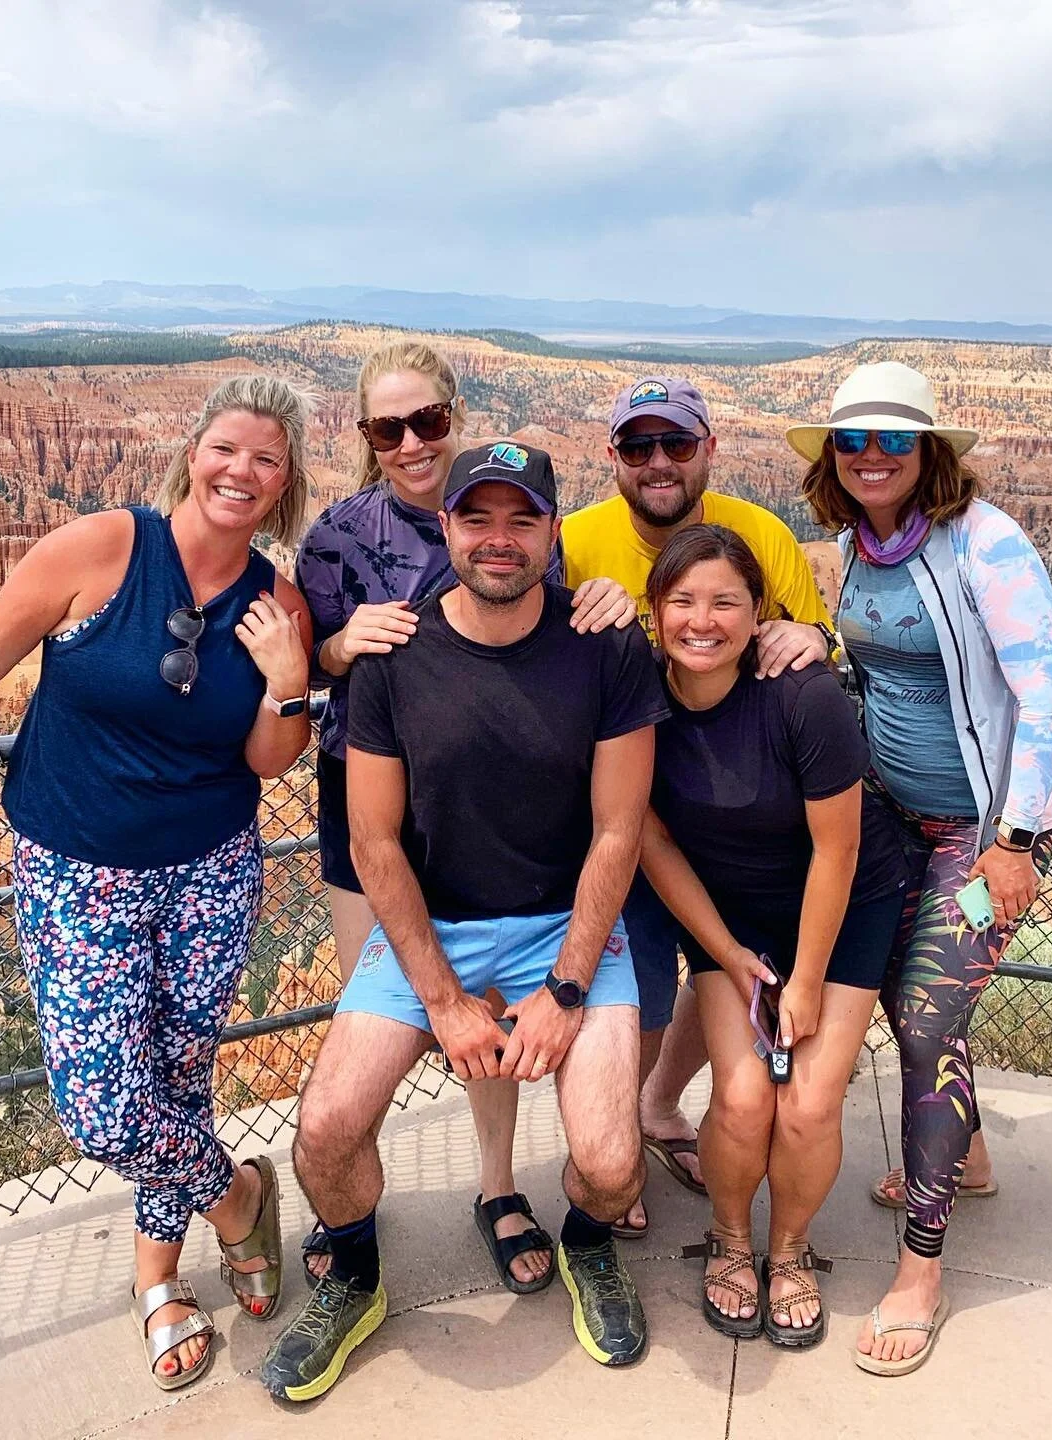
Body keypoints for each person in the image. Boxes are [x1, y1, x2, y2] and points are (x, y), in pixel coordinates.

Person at [0, 374, 318, 1391]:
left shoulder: (277, 601)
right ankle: (241, 1194)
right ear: (193, 449)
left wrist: (290, 679)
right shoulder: (103, 549)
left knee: (175, 1080)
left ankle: (156, 1279)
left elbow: (266, 761)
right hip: (78, 871)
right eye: (227, 448)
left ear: (286, 481)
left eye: (266, 459)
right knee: (101, 1107)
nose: (240, 472)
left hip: (209, 873)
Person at [262, 442, 667, 1402]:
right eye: (476, 518)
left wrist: (567, 990)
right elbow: (373, 843)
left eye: (521, 519)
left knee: (613, 1166)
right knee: (322, 1133)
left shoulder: (603, 643)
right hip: (432, 930)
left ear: (552, 534)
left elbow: (618, 833)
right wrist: (444, 999)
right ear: (444, 528)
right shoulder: (395, 659)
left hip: (564, 926)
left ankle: (590, 1242)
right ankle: (354, 1277)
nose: (498, 539)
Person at [294, 342, 634, 1292]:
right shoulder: (337, 534)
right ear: (367, 438)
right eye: (387, 428)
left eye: (428, 422)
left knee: (496, 1004)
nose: (410, 441)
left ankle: (494, 1184)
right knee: (415, 990)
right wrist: (336, 646)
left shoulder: (508, 512)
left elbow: (558, 618)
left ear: (453, 414)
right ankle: (351, 1210)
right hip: (378, 797)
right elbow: (305, 651)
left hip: (512, 794)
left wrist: (610, 596)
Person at [788, 360, 1052, 1375]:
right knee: (924, 1013)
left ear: (929, 452)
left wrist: (1015, 841)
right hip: (888, 818)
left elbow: (1043, 701)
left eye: (893, 439)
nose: (872, 456)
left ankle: (920, 1268)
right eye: (853, 440)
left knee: (921, 1021)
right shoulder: (854, 547)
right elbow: (864, 665)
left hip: (978, 830)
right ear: (833, 457)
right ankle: (972, 1156)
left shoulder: (985, 545)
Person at [560, 375, 837, 1235]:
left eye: (677, 444)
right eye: (638, 447)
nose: (659, 463)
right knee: (640, 984)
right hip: (623, 819)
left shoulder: (760, 536)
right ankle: (612, 1152)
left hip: (731, 821)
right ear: (613, 459)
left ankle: (652, 1110)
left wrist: (814, 635)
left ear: (708, 450)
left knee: (715, 967)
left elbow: (808, 638)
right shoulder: (572, 542)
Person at [639, 525, 908, 1345]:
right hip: (734, 914)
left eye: (726, 601)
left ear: (759, 612)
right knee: (746, 1095)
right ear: (656, 612)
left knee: (809, 1106)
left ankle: (789, 1249)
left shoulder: (803, 694)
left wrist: (804, 982)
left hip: (845, 905)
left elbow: (840, 847)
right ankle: (729, 1238)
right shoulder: (641, 699)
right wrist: (723, 952)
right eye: (682, 600)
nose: (702, 620)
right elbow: (649, 839)